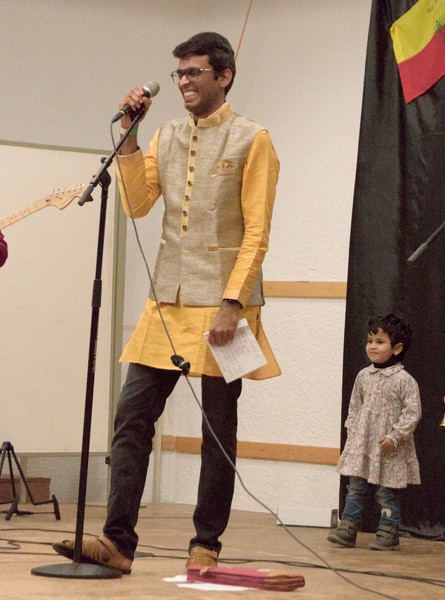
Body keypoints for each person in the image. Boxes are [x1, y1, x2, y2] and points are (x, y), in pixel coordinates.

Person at [53, 31, 280, 574]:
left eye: (194, 72)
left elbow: (257, 232)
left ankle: (206, 544)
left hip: (226, 306)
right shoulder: (168, 135)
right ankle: (118, 543)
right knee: (131, 417)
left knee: (217, 431)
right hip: (167, 301)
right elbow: (137, 205)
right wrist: (130, 138)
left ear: (224, 76)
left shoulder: (253, 139)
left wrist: (232, 303)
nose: (183, 82)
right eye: (179, 73)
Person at [328, 313, 421, 551]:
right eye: (370, 341)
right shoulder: (363, 376)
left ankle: (389, 532)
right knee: (355, 488)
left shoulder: (404, 380)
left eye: (380, 342)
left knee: (386, 492)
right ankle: (348, 528)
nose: (372, 346)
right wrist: (353, 433)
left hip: (388, 448)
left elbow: (412, 413)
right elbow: (354, 407)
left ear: (397, 348)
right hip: (361, 446)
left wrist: (394, 437)